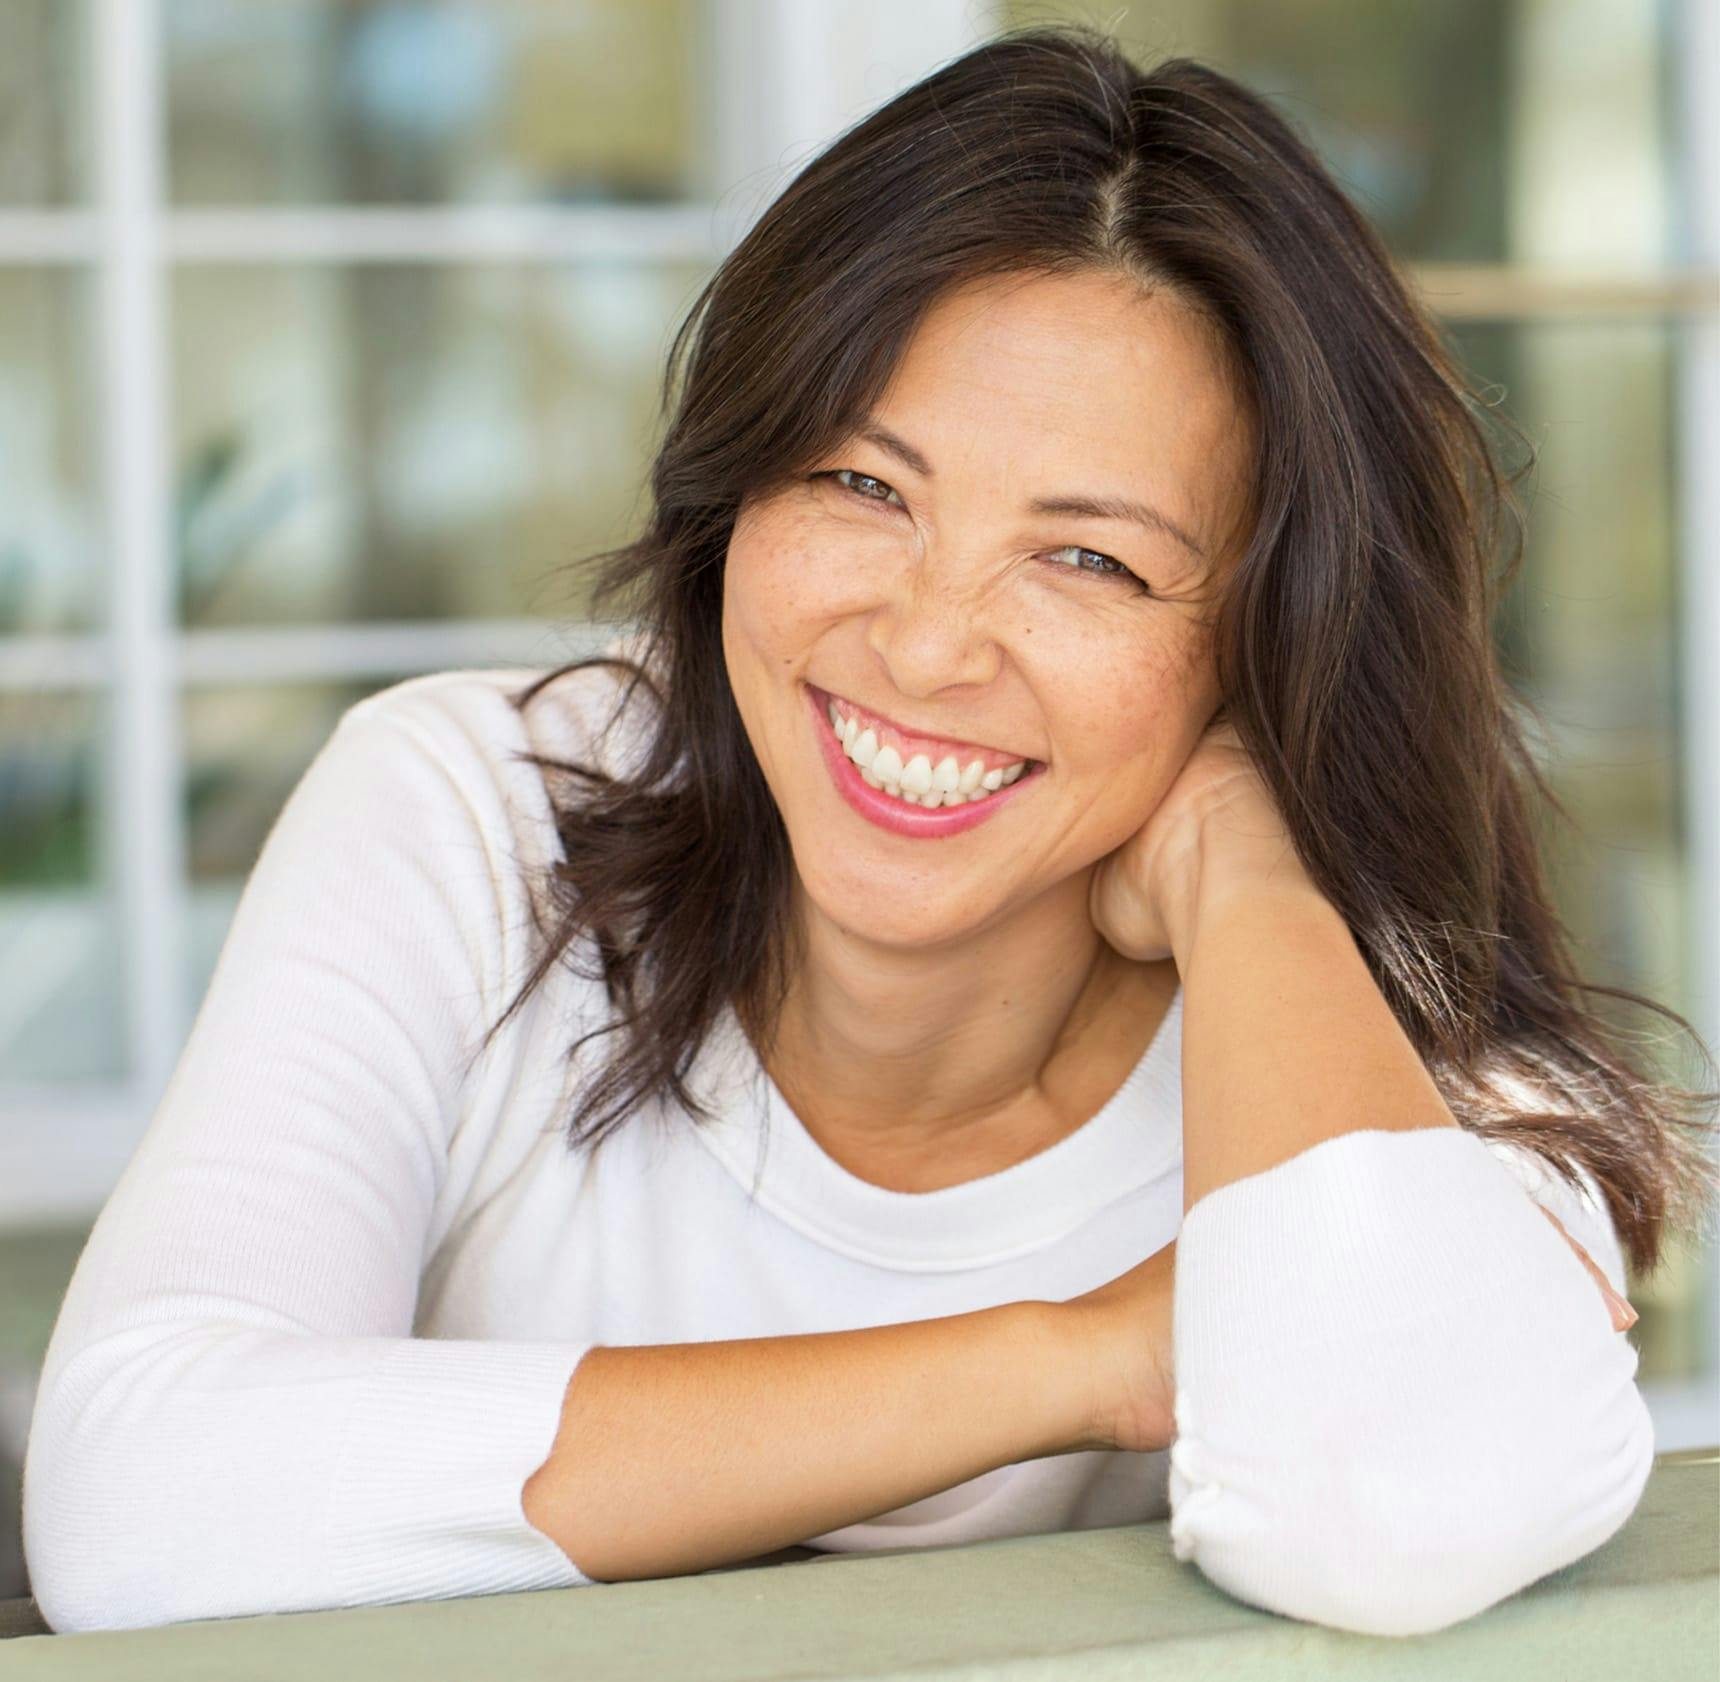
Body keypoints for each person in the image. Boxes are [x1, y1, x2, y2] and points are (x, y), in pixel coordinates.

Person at [22, 24, 1716, 1638]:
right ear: (733, 489)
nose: (922, 644)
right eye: (860, 486)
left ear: (1273, 639)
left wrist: (1238, 854)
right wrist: (1090, 1356)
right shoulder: (477, 806)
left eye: (1092, 560)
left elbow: (1390, 1501)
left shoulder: (1389, 1047)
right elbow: (137, 1498)